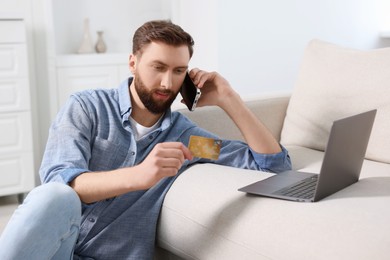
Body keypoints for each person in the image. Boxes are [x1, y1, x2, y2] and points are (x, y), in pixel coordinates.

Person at [0, 20, 291, 259]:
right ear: (132, 63)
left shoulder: (187, 140)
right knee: (55, 195)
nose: (167, 83)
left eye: (178, 71)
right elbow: (61, 181)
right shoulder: (87, 108)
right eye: (158, 67)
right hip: (53, 251)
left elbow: (270, 164)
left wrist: (229, 99)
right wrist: (140, 175)